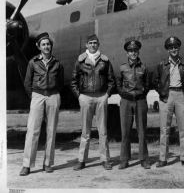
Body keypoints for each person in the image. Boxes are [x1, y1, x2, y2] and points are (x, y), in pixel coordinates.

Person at [20, 32, 64, 176]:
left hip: (53, 96)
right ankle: (27, 165)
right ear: (39, 46)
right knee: (32, 130)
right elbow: (27, 82)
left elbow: (61, 82)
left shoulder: (57, 63)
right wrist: (34, 95)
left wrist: (55, 94)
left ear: (51, 46)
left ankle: (48, 163)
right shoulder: (33, 62)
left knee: (51, 130)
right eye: (43, 44)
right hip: (37, 96)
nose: (46, 46)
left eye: (48, 44)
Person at [154, 36, 184, 168]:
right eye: (171, 48)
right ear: (168, 50)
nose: (173, 49)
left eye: (175, 47)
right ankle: (163, 158)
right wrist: (162, 92)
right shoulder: (161, 64)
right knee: (164, 129)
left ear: (178, 48)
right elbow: (156, 80)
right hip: (166, 96)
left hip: (180, 95)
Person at [70, 34, 116, 170]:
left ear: (98, 44)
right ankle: (82, 160)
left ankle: (105, 159)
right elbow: (73, 80)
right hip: (85, 97)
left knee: (103, 131)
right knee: (85, 131)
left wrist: (106, 95)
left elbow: (112, 80)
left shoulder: (105, 60)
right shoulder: (80, 61)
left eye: (95, 43)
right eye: (90, 43)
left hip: (101, 96)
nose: (93, 45)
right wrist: (79, 96)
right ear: (86, 45)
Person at [116, 40, 150, 169]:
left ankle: (144, 159)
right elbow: (118, 85)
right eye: (131, 51)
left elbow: (147, 85)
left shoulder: (144, 68)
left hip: (140, 101)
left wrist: (141, 94)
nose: (133, 53)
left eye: (135, 51)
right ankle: (124, 160)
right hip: (126, 101)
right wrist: (125, 95)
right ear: (127, 53)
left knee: (142, 131)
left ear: (138, 52)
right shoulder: (122, 68)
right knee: (125, 132)